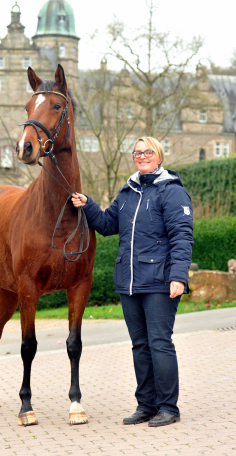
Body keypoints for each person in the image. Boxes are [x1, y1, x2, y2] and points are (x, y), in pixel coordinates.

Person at [72, 136, 193, 427]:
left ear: (159, 157)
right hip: (129, 282)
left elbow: (182, 236)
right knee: (140, 345)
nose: (141, 156)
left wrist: (178, 276)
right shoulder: (127, 192)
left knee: (159, 343)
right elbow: (107, 224)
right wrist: (88, 205)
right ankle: (146, 405)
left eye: (147, 152)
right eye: (137, 152)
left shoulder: (172, 192)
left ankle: (168, 408)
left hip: (160, 282)